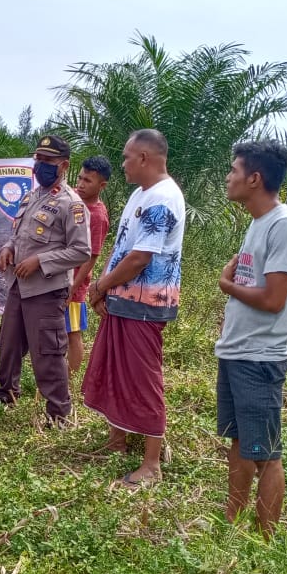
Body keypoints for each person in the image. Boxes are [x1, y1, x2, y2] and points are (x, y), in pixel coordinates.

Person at [216, 140, 287, 536]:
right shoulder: (259, 223)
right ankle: (232, 520)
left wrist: (226, 286)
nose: (228, 177)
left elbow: (273, 300)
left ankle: (266, 540)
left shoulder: (284, 225)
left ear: (254, 179)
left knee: (266, 453)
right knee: (240, 441)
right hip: (238, 350)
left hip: (259, 357)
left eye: (234, 170)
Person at [84, 130, 186, 485]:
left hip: (146, 303)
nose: (123, 164)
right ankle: (117, 440)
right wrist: (104, 289)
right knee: (117, 371)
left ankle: (152, 464)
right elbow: (121, 248)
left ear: (144, 157)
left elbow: (140, 258)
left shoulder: (163, 198)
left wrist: (101, 286)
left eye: (127, 157)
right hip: (125, 299)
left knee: (143, 379)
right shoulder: (140, 194)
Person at [0, 135, 91, 426]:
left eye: (48, 160)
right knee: (8, 345)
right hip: (18, 286)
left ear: (64, 165)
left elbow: (81, 251)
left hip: (46, 290)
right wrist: (8, 248)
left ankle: (59, 413)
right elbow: (19, 234)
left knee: (47, 352)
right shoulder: (33, 196)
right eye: (38, 158)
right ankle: (6, 397)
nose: (40, 165)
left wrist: (40, 261)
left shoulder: (71, 204)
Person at [66, 156, 112, 374]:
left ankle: (69, 379)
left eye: (87, 181)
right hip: (59, 277)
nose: (81, 184)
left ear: (102, 185)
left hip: (74, 284)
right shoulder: (73, 200)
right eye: (80, 178)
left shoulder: (98, 216)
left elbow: (91, 257)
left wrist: (73, 288)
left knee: (72, 332)